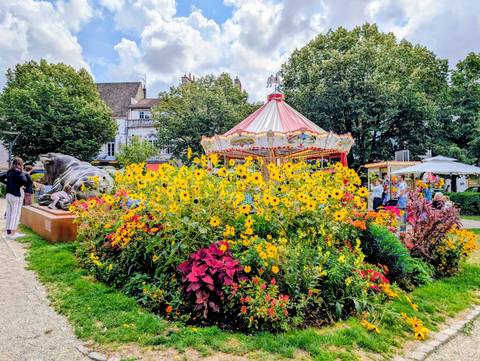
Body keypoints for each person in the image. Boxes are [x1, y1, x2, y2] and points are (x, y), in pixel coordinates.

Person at [0, 157, 28, 239]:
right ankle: (13, 234)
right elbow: (24, 181)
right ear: (20, 164)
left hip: (8, 194)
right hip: (16, 195)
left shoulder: (9, 172)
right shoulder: (19, 172)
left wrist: (8, 183)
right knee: (15, 214)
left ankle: (8, 233)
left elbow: (0, 178)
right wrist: (18, 186)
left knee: (9, 213)